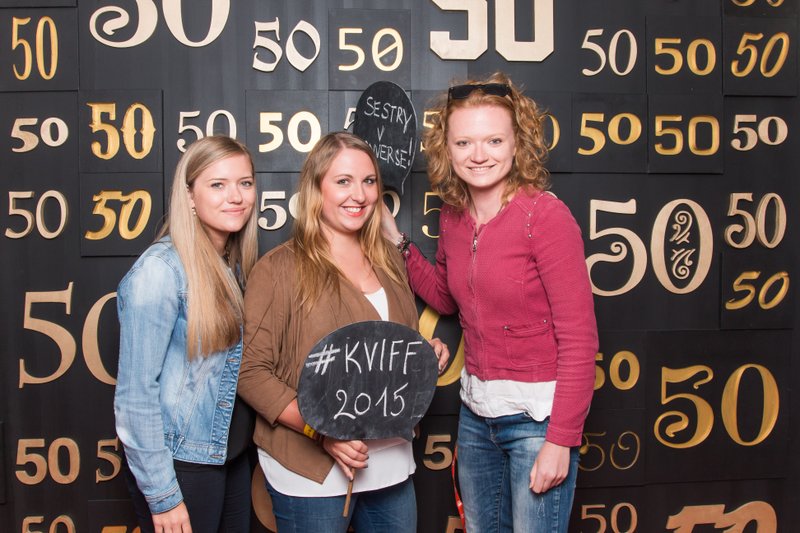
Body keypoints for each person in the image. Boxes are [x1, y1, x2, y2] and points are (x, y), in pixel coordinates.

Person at [382, 73, 598, 532]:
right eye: (464, 143)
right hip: (477, 418)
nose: (478, 155)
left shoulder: (546, 217)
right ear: (447, 148)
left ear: (518, 142)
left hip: (537, 423)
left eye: (494, 140)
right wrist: (397, 241)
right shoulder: (455, 217)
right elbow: (446, 297)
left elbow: (580, 340)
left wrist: (561, 440)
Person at [238, 132, 449, 533]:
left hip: (390, 464)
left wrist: (423, 355)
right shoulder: (279, 269)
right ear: (316, 188)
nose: (359, 194)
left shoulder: (389, 260)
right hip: (312, 473)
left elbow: (382, 348)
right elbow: (251, 371)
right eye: (343, 181)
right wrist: (320, 432)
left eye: (368, 181)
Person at [114, 135, 259, 533]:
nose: (236, 196)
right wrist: (163, 495)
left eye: (245, 183)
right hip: (182, 466)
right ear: (190, 196)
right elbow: (135, 396)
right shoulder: (160, 271)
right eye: (218, 184)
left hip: (228, 458)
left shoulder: (229, 265)